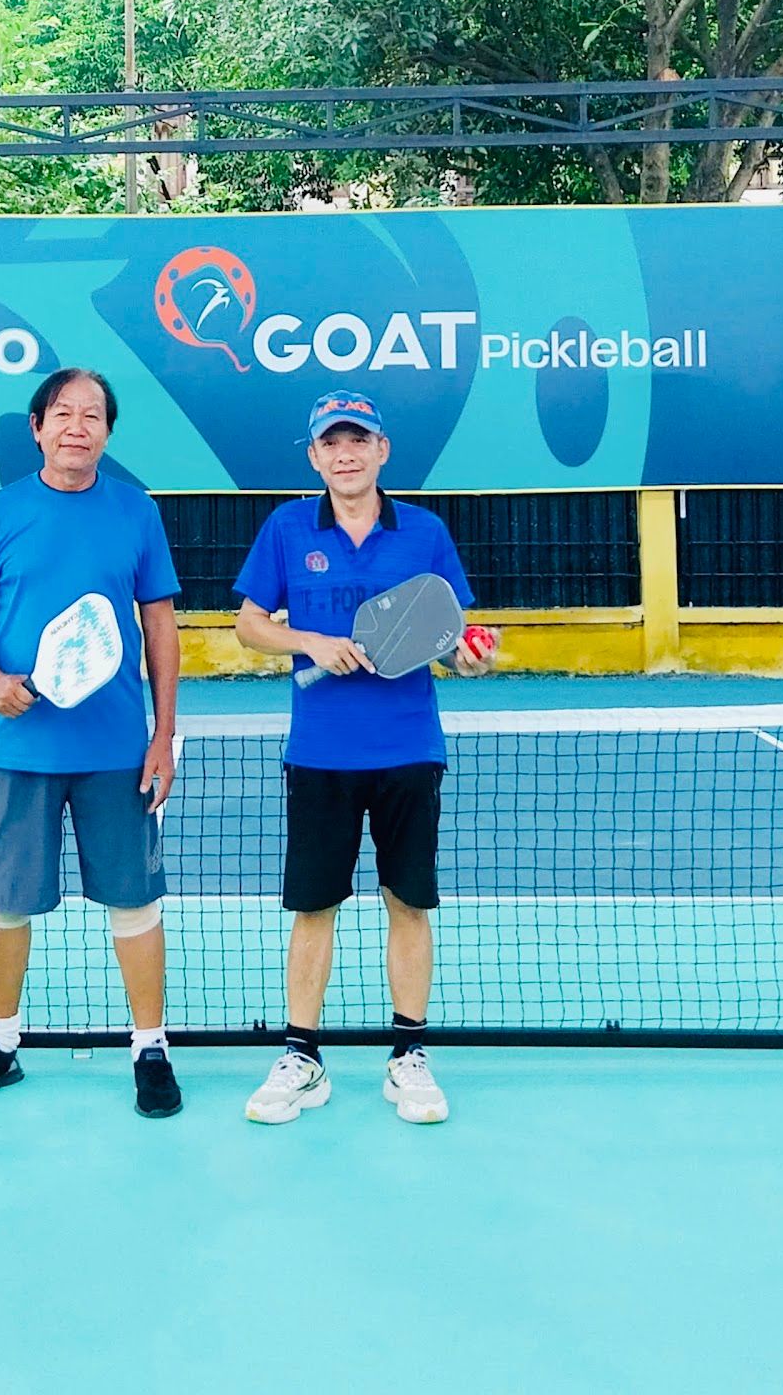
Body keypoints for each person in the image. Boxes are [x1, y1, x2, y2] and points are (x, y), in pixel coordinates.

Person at [233, 390, 496, 1125]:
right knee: (314, 905)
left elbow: (448, 639)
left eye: (358, 441)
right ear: (314, 457)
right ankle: (302, 1057)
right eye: (331, 443)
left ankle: (408, 1054)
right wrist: (309, 643)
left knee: (407, 902)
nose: (345, 454)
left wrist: (470, 659)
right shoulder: (287, 528)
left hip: (408, 749)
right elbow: (248, 625)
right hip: (320, 754)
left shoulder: (425, 532)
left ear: (382, 450)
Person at [0, 367, 184, 1119]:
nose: (78, 426)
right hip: (21, 749)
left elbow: (160, 626)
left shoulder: (137, 512)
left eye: (93, 416)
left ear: (107, 432)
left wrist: (163, 734)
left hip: (117, 751)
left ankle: (150, 1048)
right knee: (5, 907)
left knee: (135, 905)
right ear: (38, 428)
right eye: (64, 414)